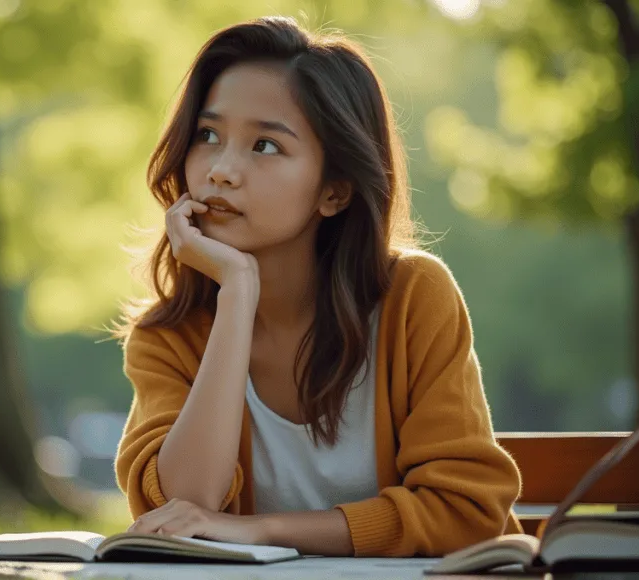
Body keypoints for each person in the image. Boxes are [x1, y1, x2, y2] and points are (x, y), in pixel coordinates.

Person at [109, 16, 522, 558]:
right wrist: (236, 291)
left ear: (335, 191)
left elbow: (464, 512)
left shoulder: (413, 300)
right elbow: (186, 506)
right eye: (208, 136)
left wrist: (265, 529)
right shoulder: (169, 335)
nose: (222, 171)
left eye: (265, 146)